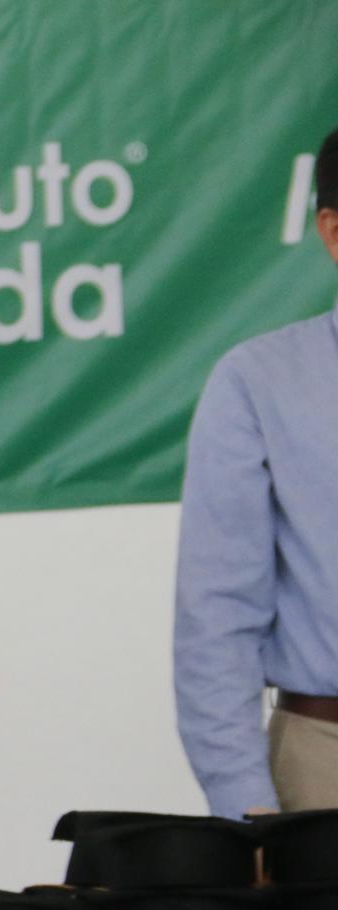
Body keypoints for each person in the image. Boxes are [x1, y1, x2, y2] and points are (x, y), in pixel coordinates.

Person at [175, 127, 338, 817]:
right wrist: (245, 805)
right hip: (323, 758)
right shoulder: (260, 381)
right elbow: (217, 614)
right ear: (333, 231)